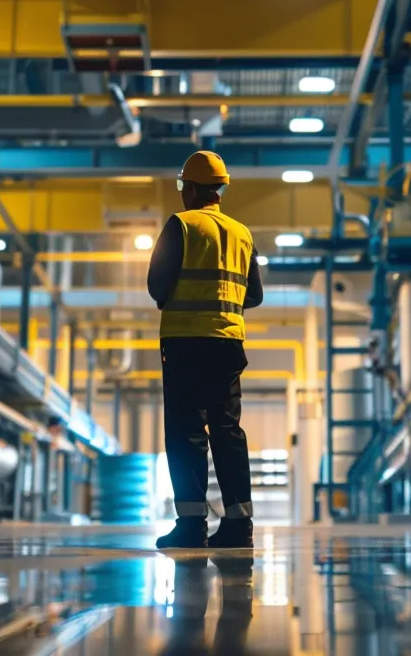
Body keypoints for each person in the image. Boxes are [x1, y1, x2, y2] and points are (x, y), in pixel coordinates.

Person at [146, 150, 264, 549]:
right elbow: (256, 295)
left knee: (185, 432)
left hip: (184, 343)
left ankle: (192, 524)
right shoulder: (242, 233)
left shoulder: (181, 225)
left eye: (183, 186)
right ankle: (238, 524)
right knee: (227, 430)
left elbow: (156, 286)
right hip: (228, 343)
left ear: (192, 188)